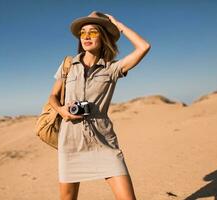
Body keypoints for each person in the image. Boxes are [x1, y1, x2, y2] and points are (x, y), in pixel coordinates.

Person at [49, 11, 151, 200]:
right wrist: (62, 110)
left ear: (103, 37)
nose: (86, 36)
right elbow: (52, 96)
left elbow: (144, 46)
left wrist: (117, 25)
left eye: (93, 32)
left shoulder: (112, 69)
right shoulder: (68, 65)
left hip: (103, 141)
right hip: (71, 141)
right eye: (83, 32)